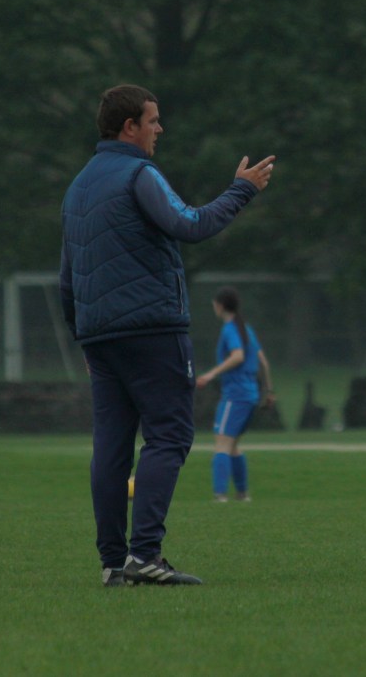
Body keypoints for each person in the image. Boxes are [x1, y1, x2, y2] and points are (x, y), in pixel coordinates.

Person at [60, 84, 275, 587]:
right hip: (152, 330)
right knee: (170, 435)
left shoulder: (78, 187)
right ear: (128, 127)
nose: (160, 129)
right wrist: (241, 189)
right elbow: (189, 224)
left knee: (110, 448)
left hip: (100, 338)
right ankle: (145, 555)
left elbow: (67, 277)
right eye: (153, 121)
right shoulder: (139, 174)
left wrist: (82, 337)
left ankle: (113, 563)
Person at [196, 286, 275, 502]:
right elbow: (263, 362)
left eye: (214, 303)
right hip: (250, 395)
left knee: (221, 443)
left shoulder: (231, 329)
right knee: (233, 446)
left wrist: (211, 374)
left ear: (220, 305)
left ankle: (220, 495)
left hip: (235, 395)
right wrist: (269, 391)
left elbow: (238, 356)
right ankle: (242, 494)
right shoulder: (245, 328)